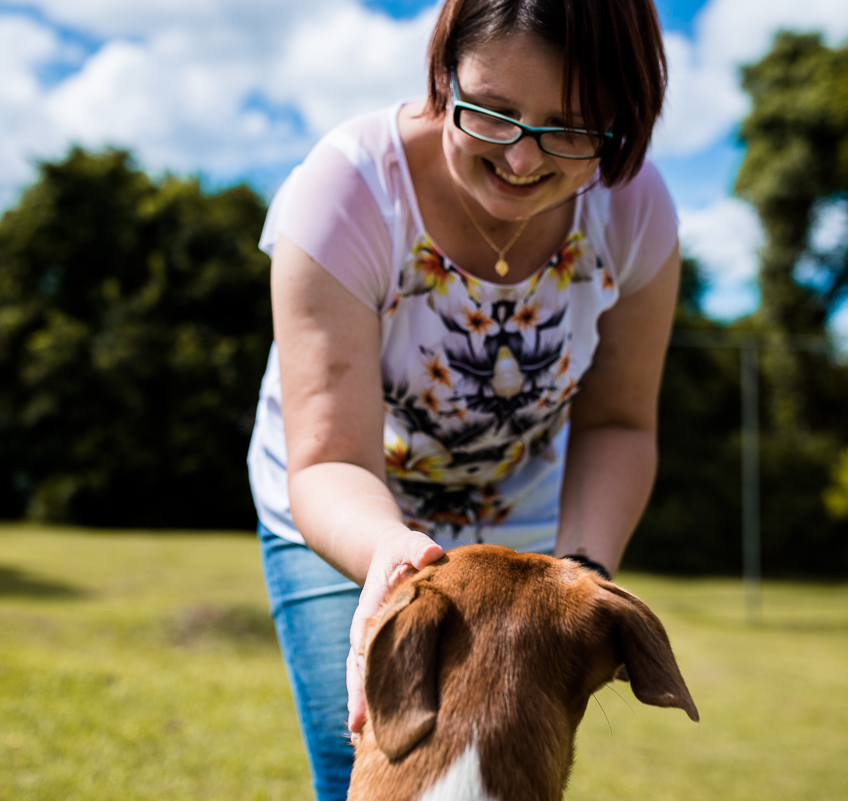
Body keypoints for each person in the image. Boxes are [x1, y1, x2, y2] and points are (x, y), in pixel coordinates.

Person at [247, 1, 678, 798]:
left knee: (507, 771)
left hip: (523, 524)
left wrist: (579, 569)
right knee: (373, 760)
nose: (522, 158)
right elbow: (329, 456)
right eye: (494, 112)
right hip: (349, 514)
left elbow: (618, 420)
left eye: (572, 127)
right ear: (443, 75)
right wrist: (388, 557)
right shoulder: (344, 195)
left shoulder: (635, 209)